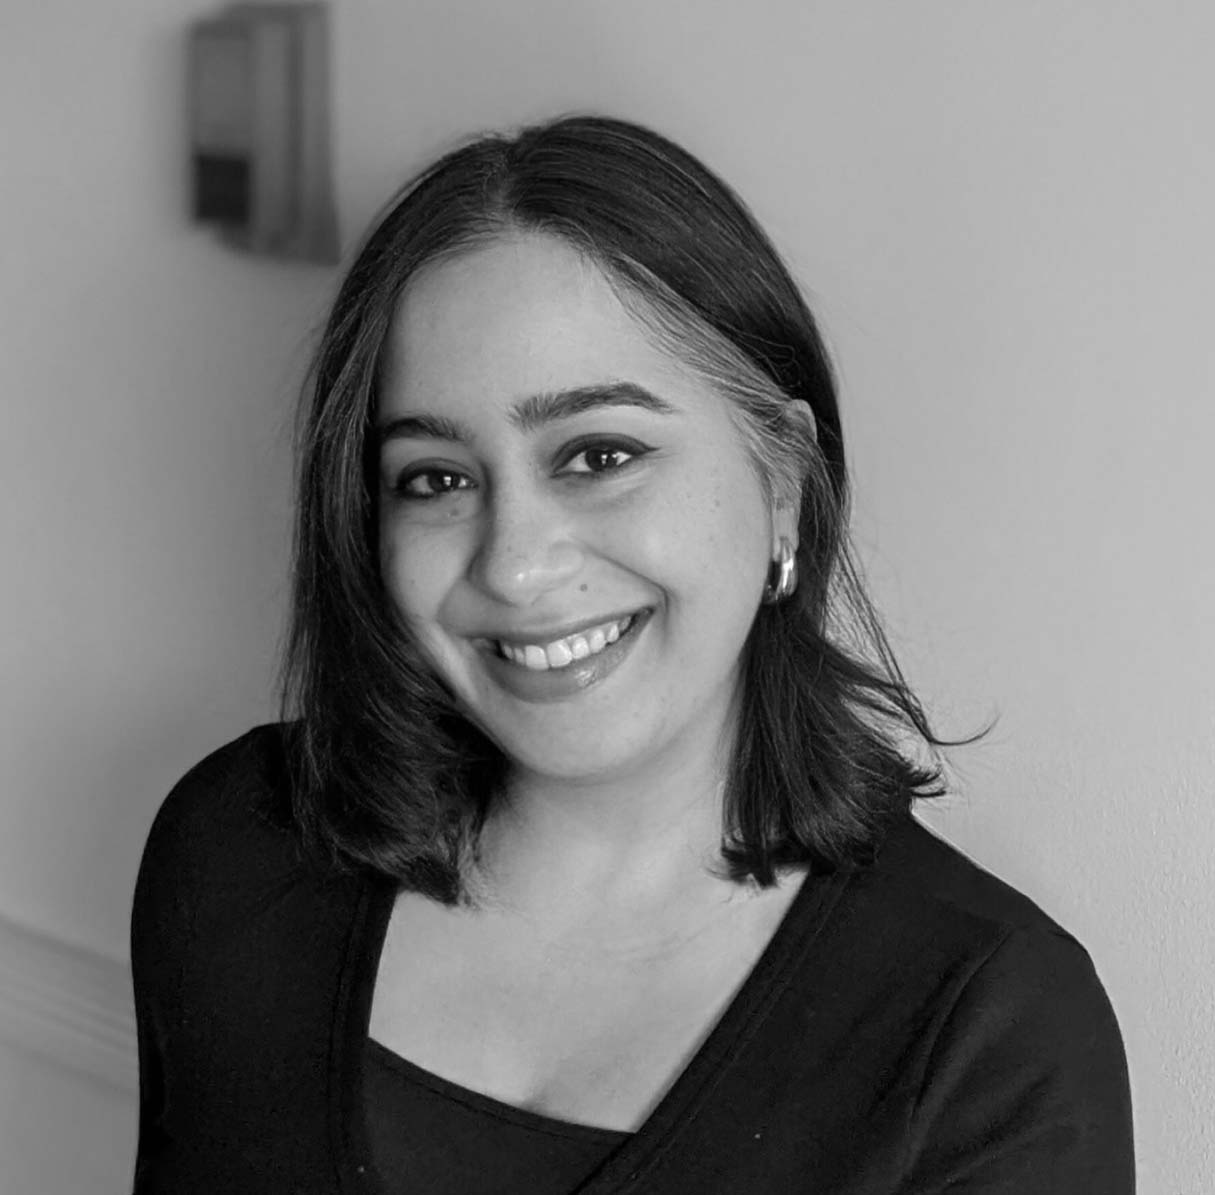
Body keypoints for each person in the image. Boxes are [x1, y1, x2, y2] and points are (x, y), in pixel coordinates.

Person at [130, 116, 1134, 1193]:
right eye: (435, 478)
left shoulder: (989, 1037)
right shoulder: (241, 845)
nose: (515, 565)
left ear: (784, 484)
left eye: (598, 454)